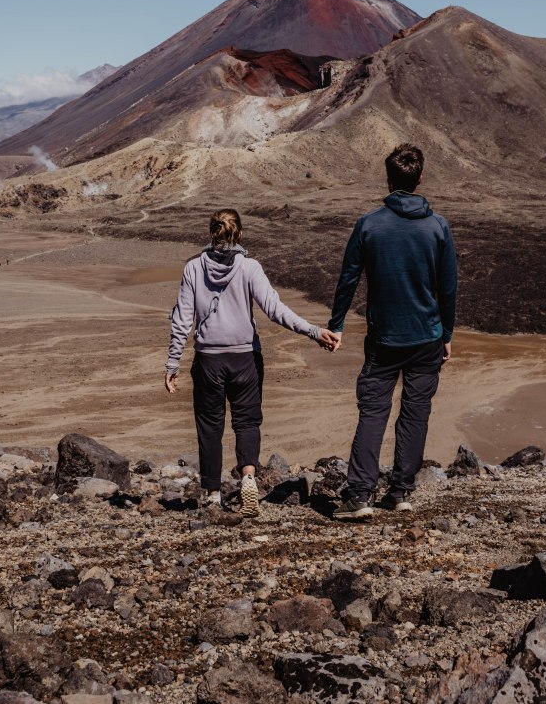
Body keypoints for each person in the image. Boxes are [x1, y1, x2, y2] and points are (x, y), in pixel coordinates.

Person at [164, 208, 338, 516]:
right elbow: (274, 309)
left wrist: (172, 363)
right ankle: (247, 476)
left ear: (211, 234)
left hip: (208, 361)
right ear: (240, 234)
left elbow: (182, 320)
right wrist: (313, 331)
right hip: (245, 358)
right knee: (247, 421)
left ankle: (213, 494)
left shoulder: (193, 269)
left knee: (209, 427)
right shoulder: (250, 267)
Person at [328, 143, 457, 519]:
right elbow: (448, 288)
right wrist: (446, 333)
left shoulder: (370, 224)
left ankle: (361, 496)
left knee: (373, 412)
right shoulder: (438, 227)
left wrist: (336, 326)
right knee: (416, 414)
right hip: (427, 337)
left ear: (389, 178)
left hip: (384, 339)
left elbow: (348, 279)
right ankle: (401, 491)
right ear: (419, 179)